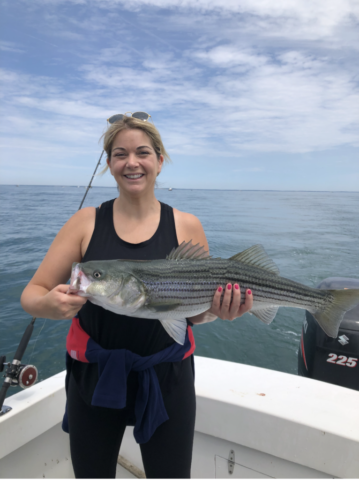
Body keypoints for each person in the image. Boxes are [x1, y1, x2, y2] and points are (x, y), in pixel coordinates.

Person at [21, 114, 253, 478]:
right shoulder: (84, 222)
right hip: (94, 376)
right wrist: (50, 305)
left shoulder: (186, 225)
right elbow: (31, 294)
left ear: (160, 161)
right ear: (109, 164)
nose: (132, 162)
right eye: (119, 154)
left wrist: (219, 312)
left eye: (143, 152)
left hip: (168, 377)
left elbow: (195, 312)